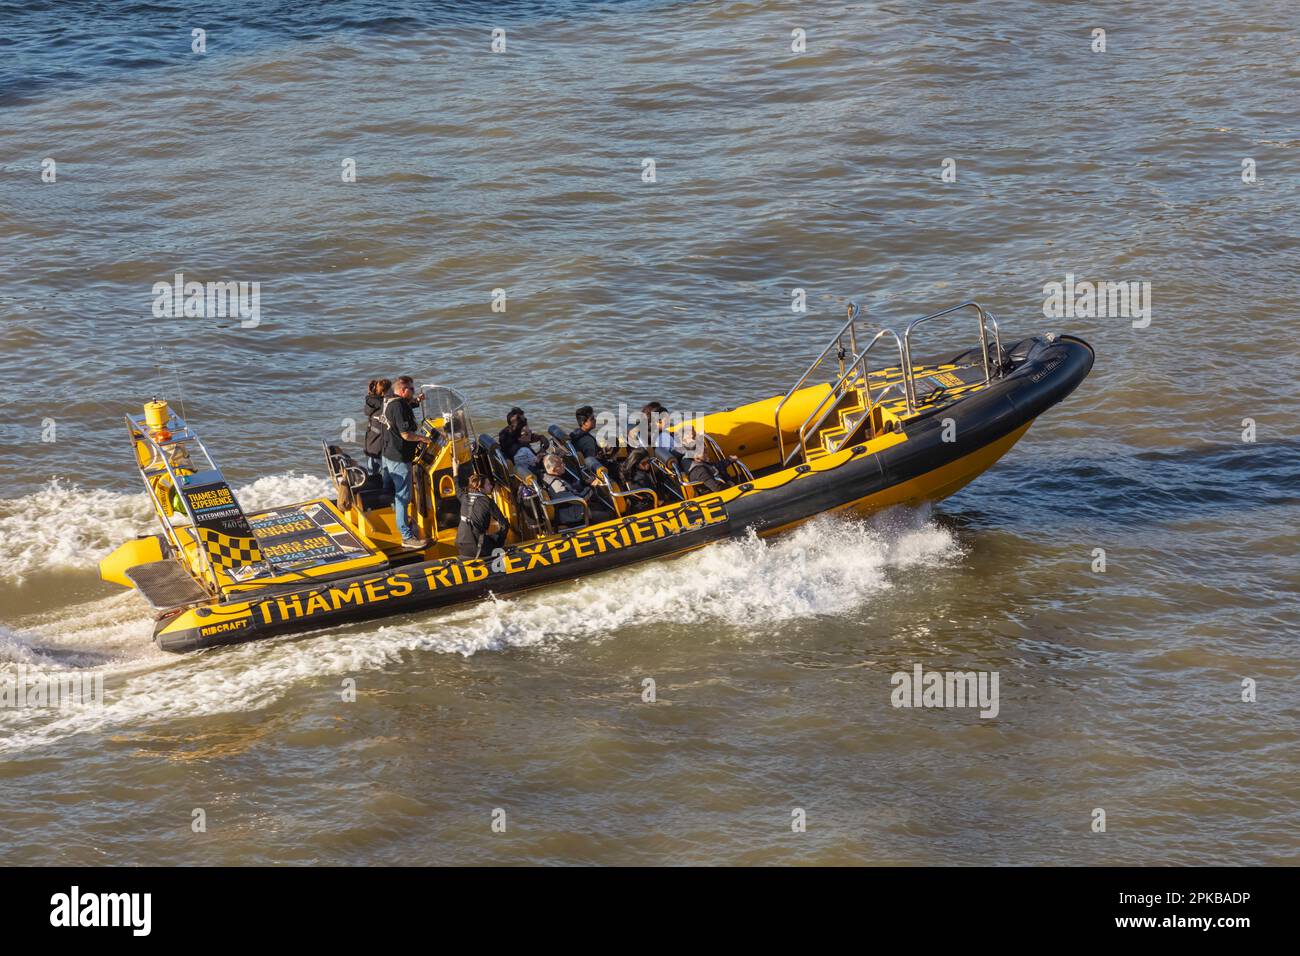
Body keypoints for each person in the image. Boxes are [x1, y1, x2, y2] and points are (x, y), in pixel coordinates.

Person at [381, 375, 433, 548]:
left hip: (387, 455)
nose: (414, 391)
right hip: (399, 458)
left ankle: (400, 517)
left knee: (393, 492)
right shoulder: (399, 406)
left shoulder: (390, 401)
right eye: (411, 389)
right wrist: (424, 440)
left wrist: (417, 401)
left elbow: (403, 408)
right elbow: (406, 434)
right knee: (403, 497)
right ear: (403, 391)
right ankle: (407, 536)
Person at [541, 453, 610, 528]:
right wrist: (592, 486)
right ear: (554, 469)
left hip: (575, 510)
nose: (564, 465)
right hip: (573, 517)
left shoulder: (550, 477)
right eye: (560, 464)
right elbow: (579, 499)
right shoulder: (556, 485)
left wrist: (584, 483)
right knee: (608, 516)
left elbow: (569, 489)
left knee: (601, 506)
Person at [456, 473, 508, 559]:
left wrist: (455, 472)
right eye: (488, 484)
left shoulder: (464, 496)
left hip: (461, 545)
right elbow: (504, 524)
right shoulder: (487, 501)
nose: (491, 486)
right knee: (494, 541)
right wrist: (499, 543)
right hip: (477, 548)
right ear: (479, 488)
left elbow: (457, 489)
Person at [363, 378, 392, 474]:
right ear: (384, 392)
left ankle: (373, 484)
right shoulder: (383, 405)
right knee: (386, 473)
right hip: (379, 445)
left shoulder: (372, 402)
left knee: (372, 472)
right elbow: (397, 407)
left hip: (371, 443)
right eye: (391, 389)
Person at [569, 405, 606, 470]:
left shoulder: (574, 433)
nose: (595, 420)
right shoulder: (589, 441)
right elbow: (591, 461)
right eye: (592, 419)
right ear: (584, 423)